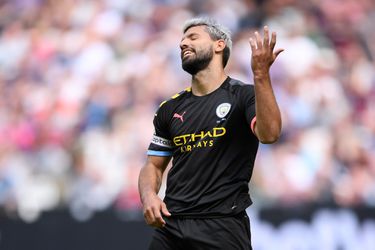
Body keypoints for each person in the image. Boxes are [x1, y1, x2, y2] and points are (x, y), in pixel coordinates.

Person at [138, 17, 283, 250]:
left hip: (222, 225)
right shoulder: (169, 109)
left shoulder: (243, 96)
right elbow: (153, 166)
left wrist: (261, 76)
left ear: (219, 45)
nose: (183, 43)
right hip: (172, 224)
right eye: (182, 40)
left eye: (193, 37)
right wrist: (149, 196)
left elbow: (270, 134)